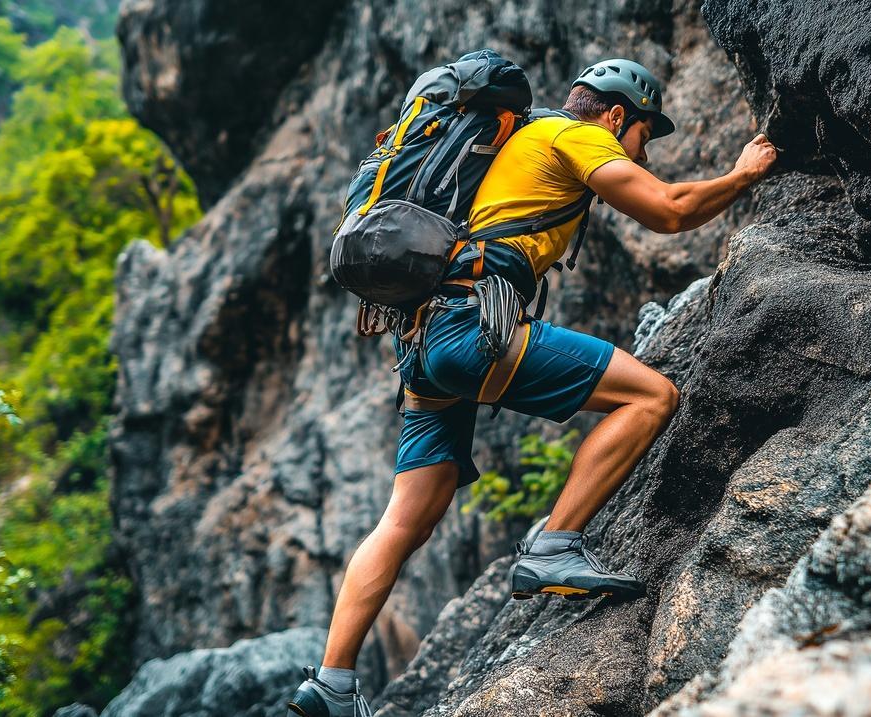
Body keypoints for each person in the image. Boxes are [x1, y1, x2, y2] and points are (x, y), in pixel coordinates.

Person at [288, 58, 778, 717]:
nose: (641, 148)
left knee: (407, 515)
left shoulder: (511, 138)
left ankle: (331, 683)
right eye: (643, 134)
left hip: (422, 341)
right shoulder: (578, 136)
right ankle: (554, 543)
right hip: (471, 328)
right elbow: (666, 210)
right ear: (615, 115)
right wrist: (744, 174)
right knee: (651, 396)